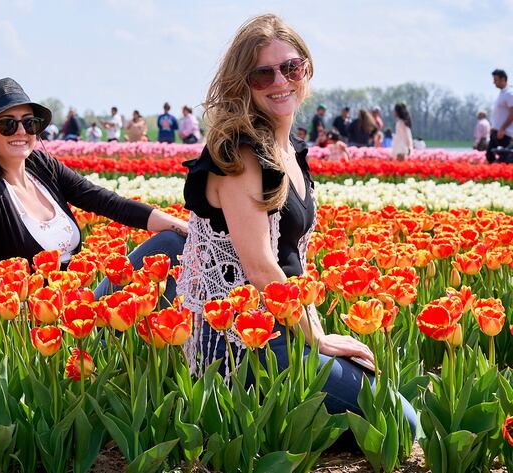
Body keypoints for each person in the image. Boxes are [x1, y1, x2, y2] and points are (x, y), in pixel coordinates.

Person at [176, 14, 417, 432]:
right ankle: (261, 429)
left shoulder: (289, 149)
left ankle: (287, 429)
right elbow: (260, 266)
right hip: (237, 339)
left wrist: (313, 329)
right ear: (242, 83)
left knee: (391, 414)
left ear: (306, 70)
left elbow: (293, 261)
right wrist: (318, 339)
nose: (279, 81)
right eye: (262, 74)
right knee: (400, 424)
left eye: (291, 67)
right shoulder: (239, 156)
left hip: (282, 322)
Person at [0, 77, 187, 301]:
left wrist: (186, 228)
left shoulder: (41, 166)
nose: (21, 131)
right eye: (7, 124)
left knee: (173, 242)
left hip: (80, 308)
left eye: (29, 122)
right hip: (31, 327)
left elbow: (106, 202)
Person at [487, 69, 513, 163]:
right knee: (489, 155)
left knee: (504, 158)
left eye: (496, 80)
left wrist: (502, 128)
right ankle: (494, 175)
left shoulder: (510, 93)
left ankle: (503, 176)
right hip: (496, 132)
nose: (494, 82)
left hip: (504, 133)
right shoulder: (502, 93)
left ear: (503, 79)